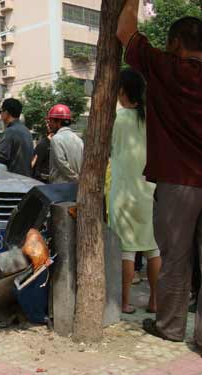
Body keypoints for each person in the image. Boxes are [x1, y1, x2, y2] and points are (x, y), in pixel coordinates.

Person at [117, 3, 202, 344]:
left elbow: (125, 30)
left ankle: (170, 327)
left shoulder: (167, 67)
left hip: (179, 181)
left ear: (177, 44)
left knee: (176, 260)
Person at [109, 68, 161, 315]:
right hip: (148, 190)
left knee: (127, 249)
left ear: (121, 91)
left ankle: (126, 302)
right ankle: (154, 302)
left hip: (123, 193)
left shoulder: (117, 120)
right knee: (152, 248)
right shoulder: (151, 119)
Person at [0, 98, 33, 177]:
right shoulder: (26, 130)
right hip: (27, 178)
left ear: (7, 113)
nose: (0, 114)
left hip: (15, 180)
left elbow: (0, 157)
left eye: (0, 111)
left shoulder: (11, 131)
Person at [46, 104, 83, 184]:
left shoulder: (56, 139)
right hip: (75, 187)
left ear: (58, 122)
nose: (49, 124)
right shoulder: (79, 140)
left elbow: (62, 163)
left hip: (60, 188)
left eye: (51, 121)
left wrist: (75, 178)